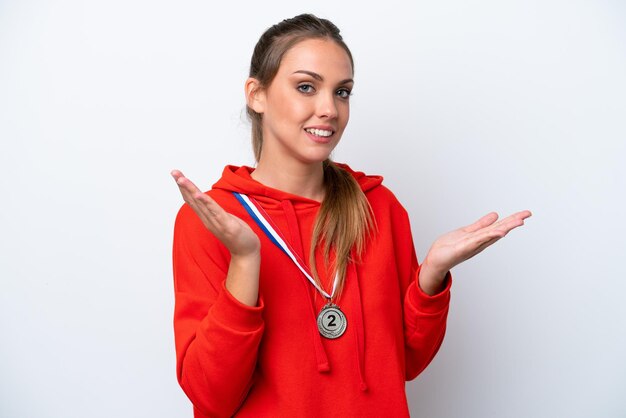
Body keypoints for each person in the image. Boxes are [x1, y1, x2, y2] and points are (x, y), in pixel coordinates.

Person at [170, 13, 531, 418]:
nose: (329, 109)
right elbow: (211, 395)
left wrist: (431, 276)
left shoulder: (379, 207)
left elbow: (408, 363)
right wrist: (244, 259)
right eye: (306, 87)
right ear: (256, 94)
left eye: (342, 92)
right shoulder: (214, 220)